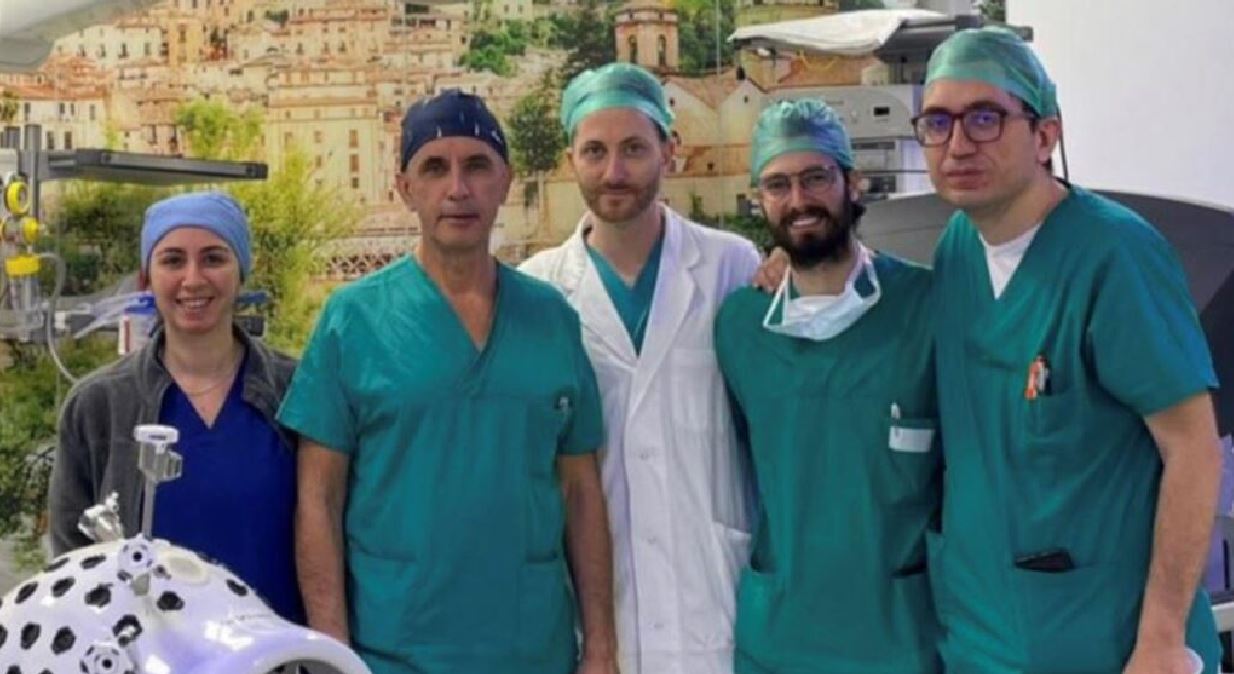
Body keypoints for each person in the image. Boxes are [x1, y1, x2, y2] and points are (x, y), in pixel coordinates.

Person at [279, 90, 617, 674]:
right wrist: (332, 654)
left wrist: (602, 648)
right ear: (404, 187)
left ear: (505, 181)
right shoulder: (353, 320)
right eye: (435, 167)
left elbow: (581, 492)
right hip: (394, 654)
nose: (458, 189)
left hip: (534, 652)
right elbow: (318, 498)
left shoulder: (551, 319)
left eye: (477, 166)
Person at [918, 27, 1222, 674]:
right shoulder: (957, 250)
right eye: (937, 122)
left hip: (1109, 641)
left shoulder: (1114, 256)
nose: (958, 144)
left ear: (1045, 135)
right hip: (983, 636)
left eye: (985, 118)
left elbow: (1193, 449)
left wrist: (1163, 639)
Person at [520, 62, 761, 674]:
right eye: (594, 151)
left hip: (714, 603)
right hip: (597, 623)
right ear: (570, 160)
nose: (614, 172)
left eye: (633, 148)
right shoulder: (537, 291)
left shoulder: (732, 267)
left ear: (669, 151)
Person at [713, 99, 941, 673]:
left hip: (897, 635)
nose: (799, 200)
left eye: (816, 177)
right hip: (780, 634)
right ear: (759, 199)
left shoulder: (926, 307)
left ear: (851, 182)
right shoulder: (739, 326)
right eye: (778, 184)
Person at [49, 191, 305, 623]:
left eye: (213, 258)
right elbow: (71, 565)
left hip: (278, 647)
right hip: (148, 651)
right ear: (146, 277)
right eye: (172, 260)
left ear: (241, 271)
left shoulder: (296, 392)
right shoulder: (98, 406)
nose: (193, 279)